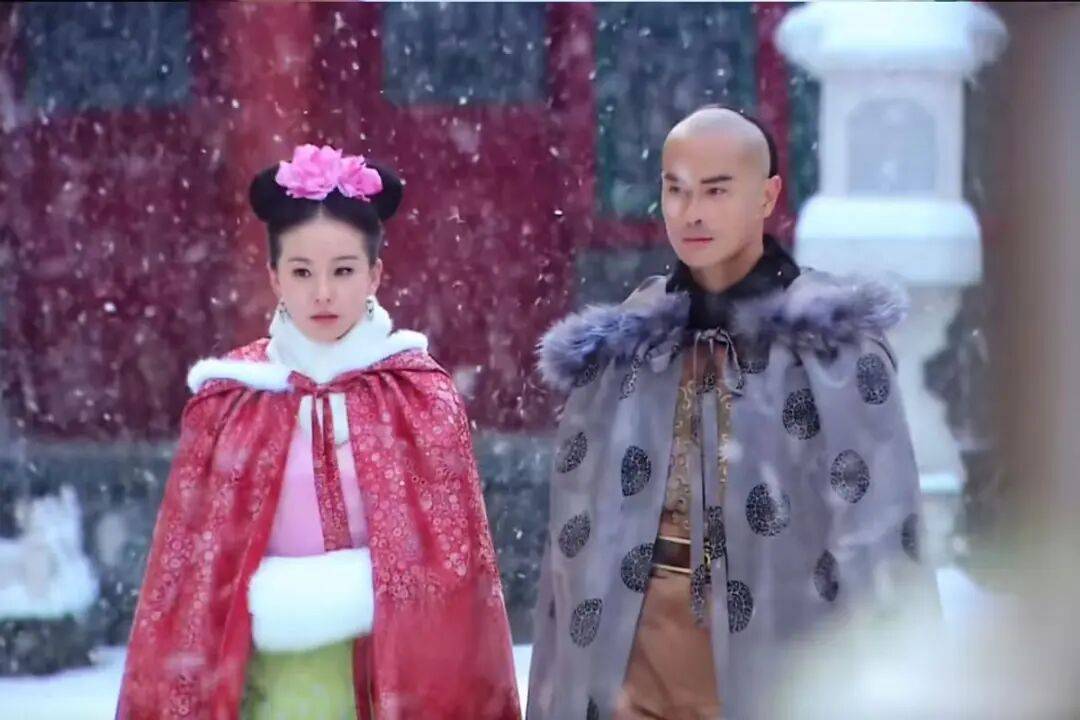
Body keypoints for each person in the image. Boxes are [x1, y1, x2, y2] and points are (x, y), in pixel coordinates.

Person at [527, 108, 938, 720]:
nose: (691, 212)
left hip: (781, 645)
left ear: (766, 196)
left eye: (716, 190)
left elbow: (881, 532)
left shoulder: (829, 345)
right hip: (632, 653)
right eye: (676, 189)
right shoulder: (632, 337)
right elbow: (575, 545)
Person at [117, 144, 521, 720]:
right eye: (302, 271)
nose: (323, 292)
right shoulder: (231, 400)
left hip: (392, 675)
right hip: (262, 677)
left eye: (344, 270)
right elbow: (190, 583)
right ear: (274, 276)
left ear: (375, 274)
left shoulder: (418, 396)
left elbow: (455, 579)